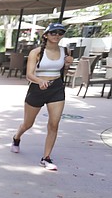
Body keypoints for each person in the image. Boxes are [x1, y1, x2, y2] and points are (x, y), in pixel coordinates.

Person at [10, 22, 74, 171]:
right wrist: (40, 81)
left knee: (54, 124)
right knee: (28, 124)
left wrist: (67, 64)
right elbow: (29, 75)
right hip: (37, 89)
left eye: (60, 33)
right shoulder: (36, 52)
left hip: (56, 89)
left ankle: (46, 158)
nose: (57, 35)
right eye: (53, 33)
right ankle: (16, 137)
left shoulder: (66, 51)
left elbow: (62, 69)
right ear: (46, 35)